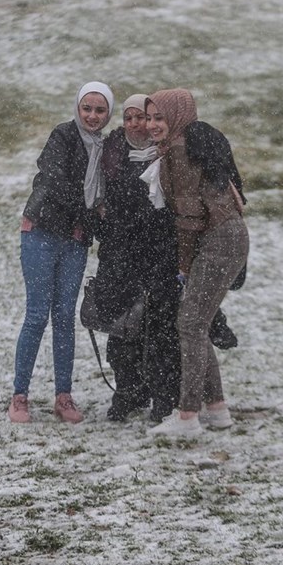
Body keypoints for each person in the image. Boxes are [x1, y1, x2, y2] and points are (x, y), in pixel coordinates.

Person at [144, 89, 249, 437]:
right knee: (196, 323)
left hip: (219, 239)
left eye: (160, 117)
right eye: (150, 117)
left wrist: (184, 265)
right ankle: (216, 409)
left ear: (178, 116)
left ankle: (188, 415)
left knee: (189, 324)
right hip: (226, 238)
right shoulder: (181, 144)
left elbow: (189, 217)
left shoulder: (179, 149)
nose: (152, 124)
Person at [9, 82, 114, 423]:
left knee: (65, 317)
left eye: (100, 110)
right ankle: (20, 395)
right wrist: (91, 215)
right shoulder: (63, 136)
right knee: (38, 314)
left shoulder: (106, 148)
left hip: (75, 240)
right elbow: (57, 183)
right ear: (77, 109)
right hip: (42, 232)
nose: (93, 116)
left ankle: (63, 396)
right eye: (87, 108)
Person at [92, 93, 182, 422]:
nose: (135, 123)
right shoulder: (113, 154)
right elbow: (101, 203)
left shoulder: (166, 154)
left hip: (158, 254)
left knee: (160, 330)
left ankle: (163, 396)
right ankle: (127, 391)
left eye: (140, 117)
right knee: (121, 328)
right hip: (120, 255)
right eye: (128, 117)